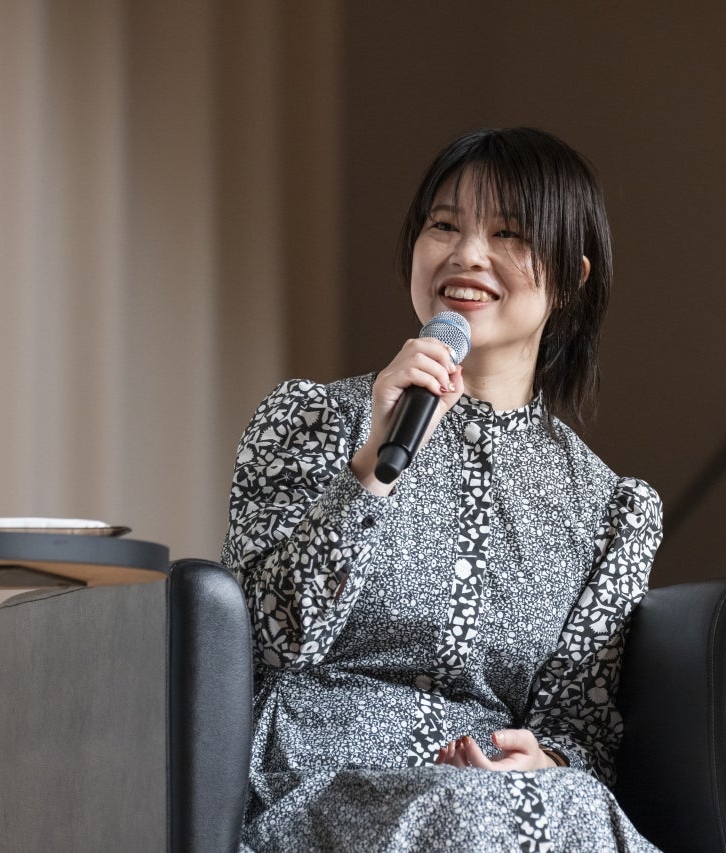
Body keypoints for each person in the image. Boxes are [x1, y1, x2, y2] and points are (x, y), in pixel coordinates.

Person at [222, 127, 664, 852]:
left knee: (571, 809)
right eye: (445, 226)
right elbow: (265, 642)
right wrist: (368, 472)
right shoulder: (309, 418)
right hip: (318, 782)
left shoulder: (609, 508)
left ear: (571, 277)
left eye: (509, 233)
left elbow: (579, 732)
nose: (467, 255)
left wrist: (541, 762)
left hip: (501, 803)